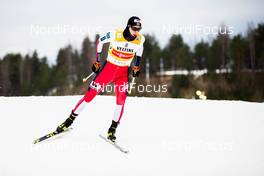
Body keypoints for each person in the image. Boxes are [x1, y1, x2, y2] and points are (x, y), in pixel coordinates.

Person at [56, 16, 145, 142]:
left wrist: (136, 65)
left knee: (121, 100)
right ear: (128, 26)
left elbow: (140, 49)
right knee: (89, 96)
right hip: (108, 70)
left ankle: (112, 130)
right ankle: (68, 122)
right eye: (135, 28)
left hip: (123, 73)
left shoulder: (140, 39)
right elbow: (100, 42)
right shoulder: (115, 34)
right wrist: (97, 61)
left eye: (139, 29)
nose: (137, 31)